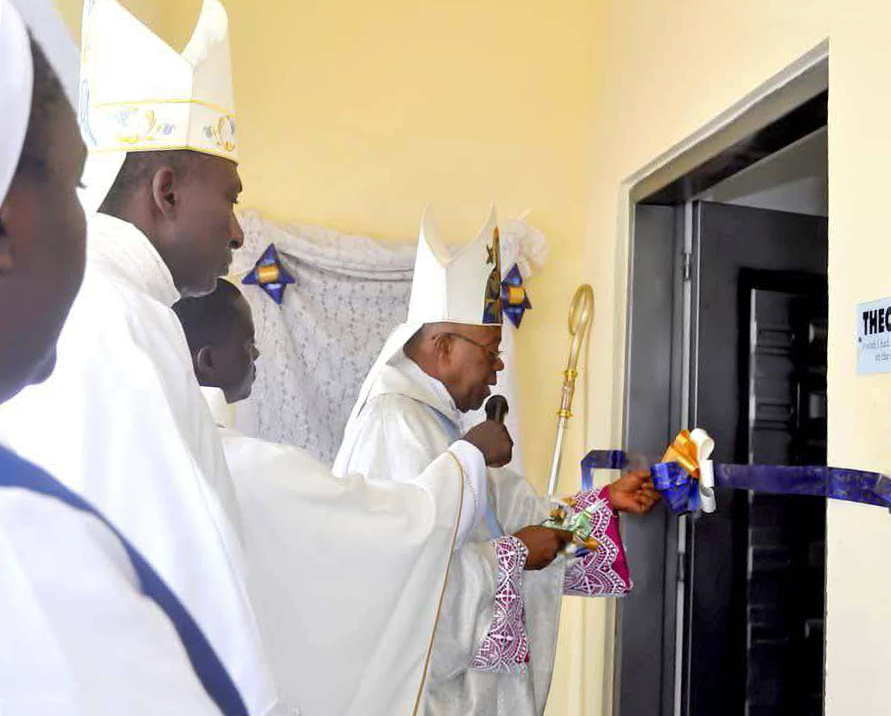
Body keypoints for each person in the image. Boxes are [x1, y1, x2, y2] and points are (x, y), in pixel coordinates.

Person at [0, 1, 282, 711]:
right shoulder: (116, 317)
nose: (238, 232)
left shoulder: (128, 309)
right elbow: (175, 580)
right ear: (167, 191)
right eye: (231, 199)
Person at [334, 206, 660, 715]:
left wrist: (601, 505)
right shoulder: (395, 427)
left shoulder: (439, 425)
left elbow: (517, 516)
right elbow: (402, 592)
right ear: (443, 347)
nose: (499, 364)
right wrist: (514, 556)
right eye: (490, 349)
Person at [174, 280, 511, 716]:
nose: (256, 354)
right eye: (247, 343)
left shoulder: (161, 449)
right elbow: (385, 533)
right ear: (209, 360)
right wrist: (469, 460)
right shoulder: (246, 465)